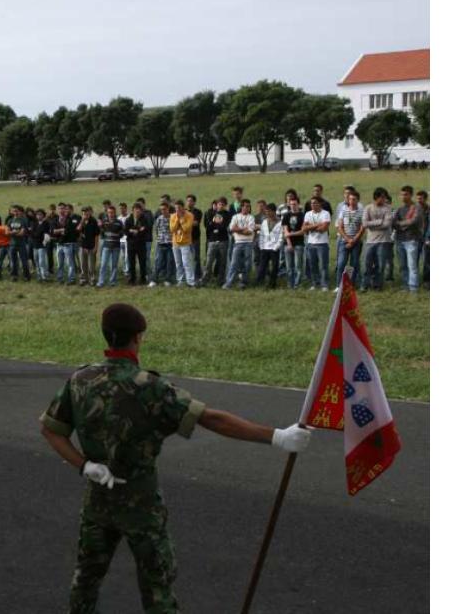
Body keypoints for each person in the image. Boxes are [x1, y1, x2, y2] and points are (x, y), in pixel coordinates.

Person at [39, 303, 311, 613]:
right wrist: (276, 436)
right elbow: (211, 419)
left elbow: (50, 430)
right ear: (137, 338)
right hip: (141, 503)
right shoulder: (150, 388)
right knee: (157, 584)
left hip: (98, 500)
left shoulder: (80, 380)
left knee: (86, 579)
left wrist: (85, 465)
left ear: (106, 336)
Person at [360, 188, 394, 291]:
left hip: (383, 241)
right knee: (367, 264)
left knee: (380, 265)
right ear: (376, 197)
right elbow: (365, 224)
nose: (384, 199)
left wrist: (372, 224)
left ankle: (377, 285)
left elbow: (387, 224)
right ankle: (365, 284)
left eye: (385, 197)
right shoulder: (368, 208)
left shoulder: (387, 208)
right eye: (382, 197)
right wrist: (379, 221)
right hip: (370, 241)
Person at [393, 185, 424, 293]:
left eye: (405, 194)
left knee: (412, 265)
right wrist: (401, 224)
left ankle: (413, 287)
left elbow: (414, 221)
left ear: (410, 195)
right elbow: (393, 222)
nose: (403, 196)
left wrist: (400, 224)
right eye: (401, 194)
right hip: (400, 240)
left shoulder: (416, 208)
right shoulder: (399, 209)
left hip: (411, 240)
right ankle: (405, 285)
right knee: (403, 265)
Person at [334, 190, 365, 289]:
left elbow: (362, 228)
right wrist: (347, 239)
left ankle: (350, 285)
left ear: (358, 200)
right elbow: (340, 226)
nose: (351, 201)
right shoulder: (343, 211)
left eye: (354, 199)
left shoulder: (361, 212)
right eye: (350, 199)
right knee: (341, 263)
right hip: (344, 241)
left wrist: (354, 240)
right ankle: (339, 286)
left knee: (354, 264)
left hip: (356, 242)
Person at [223, 200, 256, 289]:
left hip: (248, 243)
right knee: (233, 263)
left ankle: (243, 282)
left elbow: (249, 231)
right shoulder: (235, 217)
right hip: (237, 243)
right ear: (241, 207)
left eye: (248, 206)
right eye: (245, 206)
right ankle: (229, 283)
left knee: (247, 264)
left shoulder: (251, 218)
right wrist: (243, 229)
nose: (246, 208)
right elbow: (231, 228)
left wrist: (238, 229)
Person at [302, 198, 332, 291]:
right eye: (311, 203)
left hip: (322, 243)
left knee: (323, 265)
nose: (313, 205)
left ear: (320, 204)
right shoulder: (308, 214)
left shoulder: (325, 214)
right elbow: (303, 228)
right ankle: (315, 283)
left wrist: (309, 227)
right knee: (312, 265)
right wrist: (317, 224)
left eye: (315, 203)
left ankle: (324, 285)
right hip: (311, 243)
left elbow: (323, 229)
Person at [202, 198, 229, 287]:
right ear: (216, 205)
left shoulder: (227, 214)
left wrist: (218, 224)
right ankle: (205, 279)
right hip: (212, 241)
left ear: (225, 205)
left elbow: (224, 227)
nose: (220, 206)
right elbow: (208, 227)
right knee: (209, 261)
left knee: (222, 262)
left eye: (222, 204)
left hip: (223, 241)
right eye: (219, 204)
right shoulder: (211, 213)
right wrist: (214, 222)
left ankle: (221, 280)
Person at [281, 195, 307, 289]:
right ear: (289, 204)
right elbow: (285, 230)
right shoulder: (286, 215)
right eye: (291, 204)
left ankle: (297, 284)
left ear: (298, 204)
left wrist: (291, 234)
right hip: (288, 245)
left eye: (295, 204)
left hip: (299, 244)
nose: (293, 206)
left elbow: (303, 231)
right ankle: (290, 284)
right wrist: (289, 243)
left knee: (298, 266)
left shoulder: (302, 215)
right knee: (289, 267)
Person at [257, 203, 284, 289]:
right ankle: (259, 282)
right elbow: (261, 234)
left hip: (274, 248)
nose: (267, 213)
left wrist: (276, 247)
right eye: (266, 211)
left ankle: (272, 284)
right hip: (264, 248)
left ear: (273, 211)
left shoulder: (280, 222)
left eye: (268, 211)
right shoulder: (264, 222)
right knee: (262, 266)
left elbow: (281, 236)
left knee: (275, 267)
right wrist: (261, 246)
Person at [170, 202, 196, 287]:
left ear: (183, 207)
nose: (178, 210)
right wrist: (177, 219)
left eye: (179, 208)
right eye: (176, 208)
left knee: (187, 263)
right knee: (178, 263)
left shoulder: (190, 215)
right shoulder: (173, 216)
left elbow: (186, 229)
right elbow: (172, 229)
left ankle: (190, 282)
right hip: (175, 243)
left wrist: (181, 220)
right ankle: (180, 280)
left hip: (185, 243)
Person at [96, 205, 122, 287]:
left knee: (114, 265)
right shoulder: (104, 222)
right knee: (103, 264)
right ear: (107, 213)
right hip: (106, 246)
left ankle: (112, 282)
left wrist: (116, 235)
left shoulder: (119, 222)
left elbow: (122, 233)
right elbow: (101, 233)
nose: (111, 214)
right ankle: (101, 281)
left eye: (112, 212)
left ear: (115, 213)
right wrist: (101, 228)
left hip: (116, 246)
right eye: (109, 212)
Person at [125, 204, 150, 286]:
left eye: (139, 211)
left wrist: (136, 231)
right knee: (131, 262)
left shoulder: (144, 219)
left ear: (141, 211)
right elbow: (125, 231)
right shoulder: (128, 219)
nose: (137, 213)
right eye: (136, 211)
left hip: (141, 244)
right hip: (131, 245)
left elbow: (146, 230)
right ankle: (132, 278)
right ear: (133, 211)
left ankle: (143, 278)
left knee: (142, 262)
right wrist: (132, 231)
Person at [149, 203, 173, 287]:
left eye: (164, 209)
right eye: (161, 209)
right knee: (158, 262)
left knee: (169, 262)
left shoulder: (172, 218)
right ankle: (154, 280)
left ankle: (167, 280)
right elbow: (156, 230)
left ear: (168, 209)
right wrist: (159, 239)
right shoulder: (159, 219)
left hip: (170, 244)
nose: (163, 211)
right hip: (160, 244)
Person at [8, 205, 32, 282]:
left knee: (24, 261)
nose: (15, 212)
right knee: (13, 261)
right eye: (14, 211)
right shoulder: (10, 221)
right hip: (12, 244)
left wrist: (13, 232)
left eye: (16, 211)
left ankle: (26, 276)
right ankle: (14, 276)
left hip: (21, 244)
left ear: (19, 211)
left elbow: (22, 233)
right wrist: (14, 232)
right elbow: (6, 232)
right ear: (12, 212)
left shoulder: (23, 220)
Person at [78, 206, 99, 286]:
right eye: (83, 213)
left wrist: (96, 246)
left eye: (87, 213)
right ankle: (84, 279)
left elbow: (97, 235)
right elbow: (78, 229)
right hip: (83, 246)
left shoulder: (93, 221)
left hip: (91, 246)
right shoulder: (81, 221)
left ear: (89, 213)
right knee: (83, 264)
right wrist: (82, 221)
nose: (85, 215)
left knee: (91, 265)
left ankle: (92, 279)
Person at [186, 195, 203, 281]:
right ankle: (188, 276)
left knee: (196, 257)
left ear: (194, 202)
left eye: (191, 201)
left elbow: (196, 223)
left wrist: (185, 222)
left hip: (195, 238)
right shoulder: (184, 211)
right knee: (186, 258)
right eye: (188, 201)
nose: (189, 202)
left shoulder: (198, 212)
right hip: (185, 238)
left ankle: (197, 275)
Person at [31, 209, 51, 282]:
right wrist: (37, 234)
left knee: (42, 261)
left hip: (42, 245)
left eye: (40, 214)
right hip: (35, 245)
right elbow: (32, 233)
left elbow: (45, 233)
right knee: (36, 261)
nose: (39, 216)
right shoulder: (34, 223)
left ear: (43, 215)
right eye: (37, 215)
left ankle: (44, 276)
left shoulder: (46, 223)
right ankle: (39, 276)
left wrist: (37, 234)